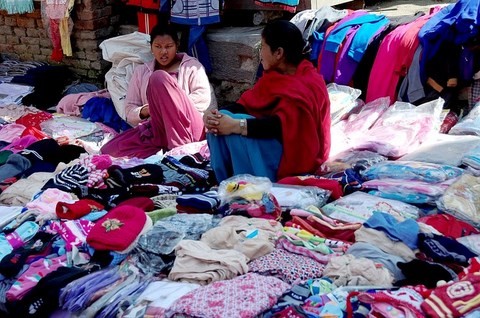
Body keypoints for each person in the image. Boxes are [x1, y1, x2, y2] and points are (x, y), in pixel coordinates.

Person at [205, 20, 331, 182]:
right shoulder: (275, 76)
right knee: (221, 120)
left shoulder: (307, 83)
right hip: (274, 142)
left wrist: (237, 126)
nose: (259, 52)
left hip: (296, 153)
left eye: (262, 46)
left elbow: (281, 126)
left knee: (235, 132)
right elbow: (249, 104)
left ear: (278, 53)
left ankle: (247, 186)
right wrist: (212, 115)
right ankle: (223, 181)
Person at [101, 22, 215, 158]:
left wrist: (168, 105)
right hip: (157, 128)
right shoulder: (141, 72)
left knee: (158, 78)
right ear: (151, 48)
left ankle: (178, 150)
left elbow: (203, 99)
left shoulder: (191, 67)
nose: (163, 52)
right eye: (158, 47)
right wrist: (147, 110)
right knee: (109, 150)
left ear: (177, 46)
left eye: (169, 46)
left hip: (187, 126)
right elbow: (129, 110)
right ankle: (163, 151)